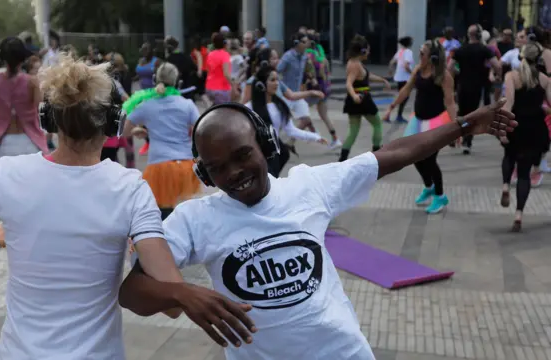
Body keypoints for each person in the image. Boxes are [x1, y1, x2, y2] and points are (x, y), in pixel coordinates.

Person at [131, 97, 515, 359]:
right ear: (204, 173)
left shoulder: (309, 186)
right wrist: (182, 294)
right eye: (216, 167)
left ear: (266, 145)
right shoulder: (195, 220)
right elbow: (132, 292)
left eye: (242, 155)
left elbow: (393, 154)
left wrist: (464, 125)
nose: (233, 173)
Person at [0, 54, 256, 359]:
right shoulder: (129, 189)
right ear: (115, 122)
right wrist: (128, 246)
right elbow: (170, 302)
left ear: (49, 118)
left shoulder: (7, 175)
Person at [121, 62, 201, 220]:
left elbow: (124, 131)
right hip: (185, 165)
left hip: (160, 166)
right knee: (186, 217)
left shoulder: (147, 105)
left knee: (163, 219)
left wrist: (142, 131)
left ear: (155, 80)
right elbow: (201, 131)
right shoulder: (187, 105)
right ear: (177, 81)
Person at [383, 40, 456, 214]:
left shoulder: (443, 76)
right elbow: (406, 91)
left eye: (422, 53)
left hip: (436, 122)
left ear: (432, 57)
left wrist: (456, 127)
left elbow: (450, 102)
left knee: (430, 160)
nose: (419, 56)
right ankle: (429, 186)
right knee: (413, 156)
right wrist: (391, 107)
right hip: (418, 120)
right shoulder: (417, 70)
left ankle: (440, 196)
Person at [500, 42, 551, 231]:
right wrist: (544, 108)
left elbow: (509, 103)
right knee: (524, 174)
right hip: (536, 129)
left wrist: (503, 128)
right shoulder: (545, 80)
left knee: (508, 156)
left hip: (516, 125)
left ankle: (505, 186)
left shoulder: (512, 76)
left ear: (521, 56)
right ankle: (519, 214)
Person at [246, 64, 327, 177]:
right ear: (261, 84)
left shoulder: (280, 106)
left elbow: (291, 130)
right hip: (256, 157)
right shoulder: (249, 108)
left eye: (277, 80)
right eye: (272, 80)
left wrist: (315, 137)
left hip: (273, 156)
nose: (277, 83)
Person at [0, 37, 48, 158]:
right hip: (30, 140)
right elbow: (43, 112)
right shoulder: (33, 82)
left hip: (4, 142)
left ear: (2, 58)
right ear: (23, 59)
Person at [449, 24, 501, 154]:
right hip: (476, 86)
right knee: (472, 114)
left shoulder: (460, 50)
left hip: (462, 85)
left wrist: (459, 73)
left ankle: (454, 135)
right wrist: (497, 76)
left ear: (468, 35)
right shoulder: (485, 50)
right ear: (479, 35)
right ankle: (467, 141)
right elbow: (497, 65)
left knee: (461, 112)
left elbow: (449, 68)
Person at [341, 34, 389, 162]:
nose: (369, 52)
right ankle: (377, 153)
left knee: (354, 131)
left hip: (356, 100)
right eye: (367, 49)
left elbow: (366, 76)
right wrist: (354, 96)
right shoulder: (355, 65)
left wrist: (382, 80)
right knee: (377, 123)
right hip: (362, 99)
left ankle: (342, 159)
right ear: (362, 51)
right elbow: (349, 83)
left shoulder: (355, 62)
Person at [388, 36, 414, 123]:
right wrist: (413, 73)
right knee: (404, 97)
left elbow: (391, 62)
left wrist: (391, 71)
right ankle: (398, 115)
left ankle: (392, 114)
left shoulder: (400, 51)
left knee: (400, 96)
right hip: (405, 78)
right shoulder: (408, 52)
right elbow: (406, 66)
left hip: (399, 77)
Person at [205, 32, 233, 105]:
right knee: (224, 112)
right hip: (221, 89)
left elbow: (208, 70)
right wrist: (234, 85)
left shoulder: (210, 54)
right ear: (224, 43)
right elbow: (226, 74)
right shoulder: (225, 55)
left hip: (209, 87)